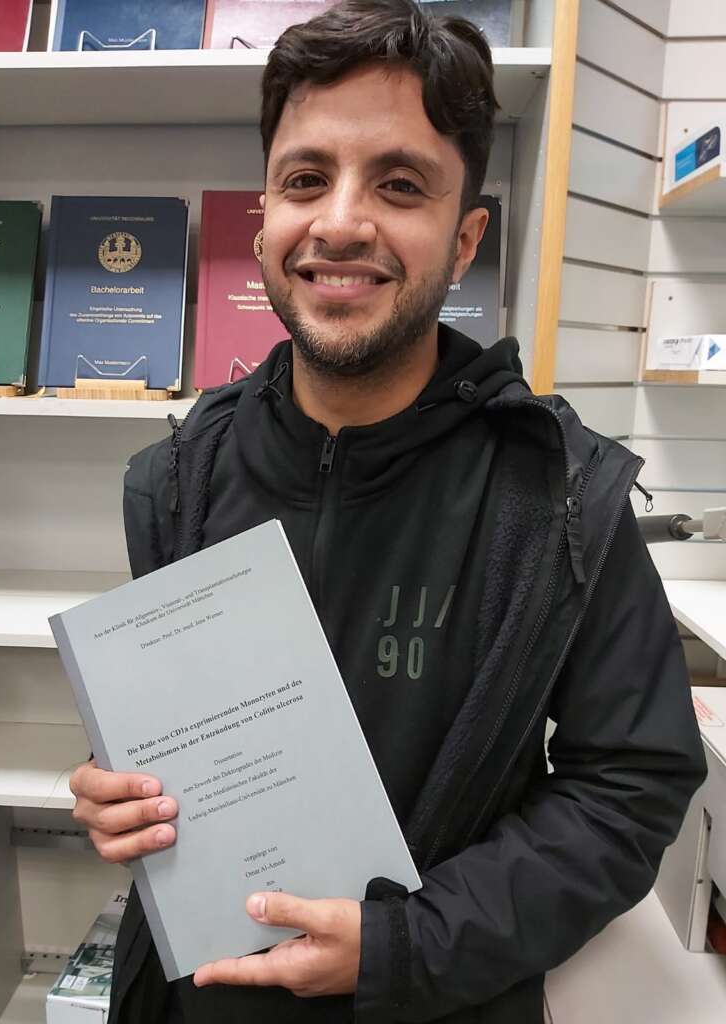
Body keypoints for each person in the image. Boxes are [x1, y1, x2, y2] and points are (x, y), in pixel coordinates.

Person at [69, 1, 707, 1021]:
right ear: (264, 213)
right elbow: (186, 743)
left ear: (464, 240)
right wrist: (125, 793)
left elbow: (629, 788)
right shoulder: (177, 478)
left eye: (399, 185)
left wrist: (408, 944)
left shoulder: (560, 497)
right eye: (305, 179)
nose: (339, 223)